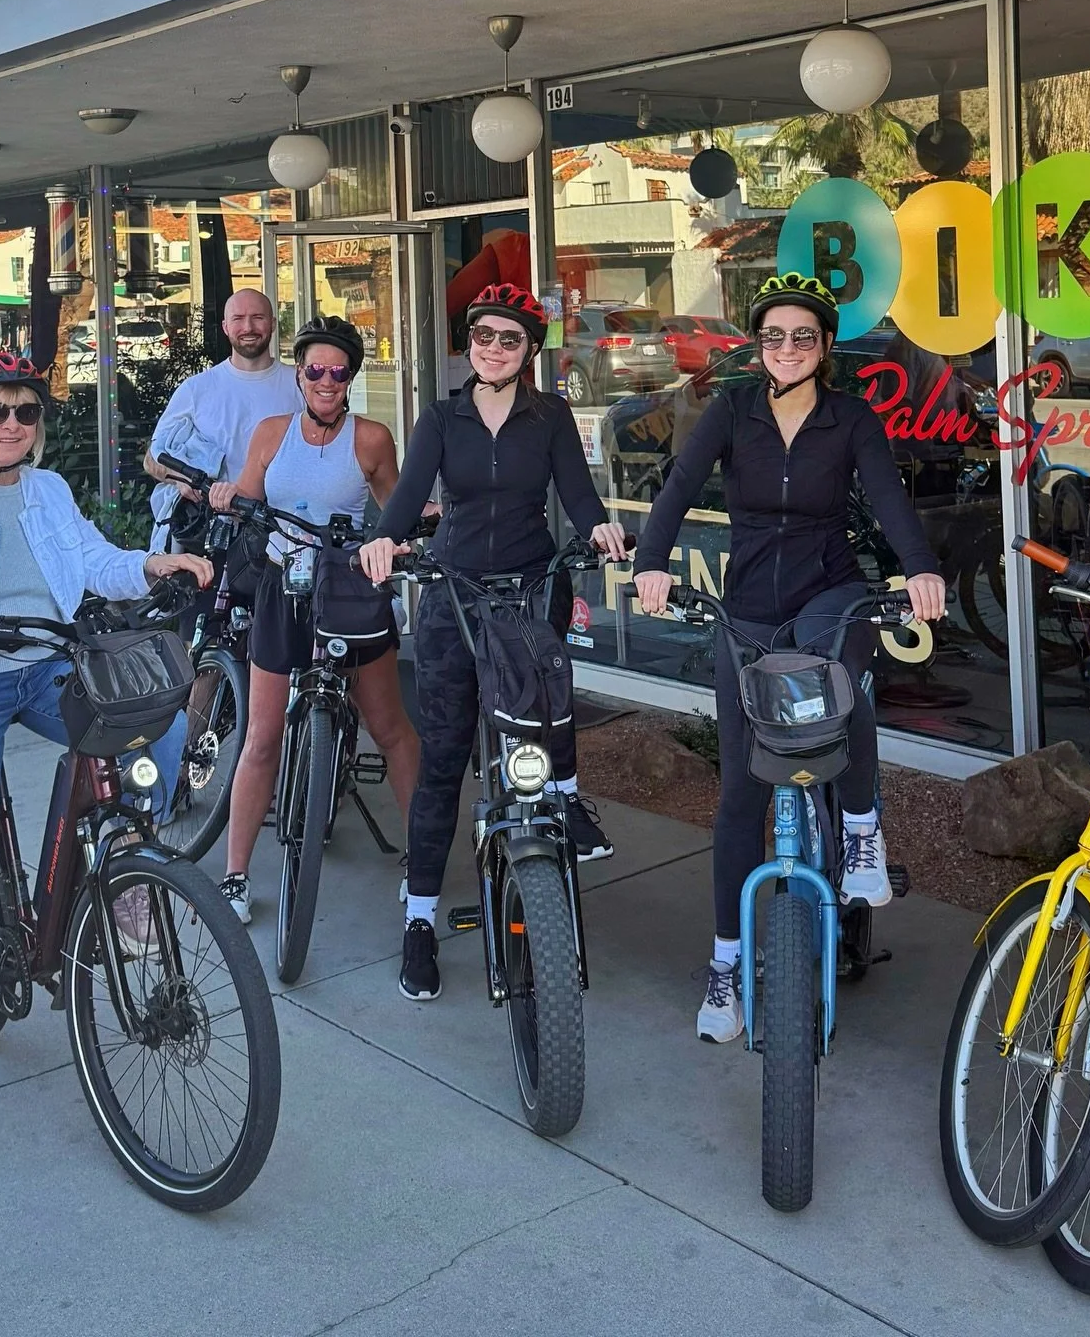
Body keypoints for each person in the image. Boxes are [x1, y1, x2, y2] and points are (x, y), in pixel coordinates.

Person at [0, 353, 211, 1148]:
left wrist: (154, 563)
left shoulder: (49, 490)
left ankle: (122, 861)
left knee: (161, 727)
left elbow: (94, 562)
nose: (14, 425)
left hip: (44, 670)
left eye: (27, 413)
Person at [630, 273, 946, 1044]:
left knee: (836, 676)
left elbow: (889, 500)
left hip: (828, 590)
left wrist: (921, 567)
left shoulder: (850, 419)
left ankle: (863, 832)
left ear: (825, 346)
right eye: (774, 335)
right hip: (748, 608)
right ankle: (727, 966)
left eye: (804, 336)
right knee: (740, 791)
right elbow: (676, 488)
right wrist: (651, 559)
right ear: (758, 345)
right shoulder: (730, 411)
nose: (788, 348)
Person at [359, 283, 631, 1003]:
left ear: (529, 351)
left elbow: (576, 494)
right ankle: (419, 920)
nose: (493, 348)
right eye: (483, 335)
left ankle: (567, 802)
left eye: (509, 339)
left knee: (547, 714)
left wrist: (600, 526)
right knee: (444, 757)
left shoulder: (550, 416)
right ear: (469, 343)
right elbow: (409, 490)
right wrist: (384, 539)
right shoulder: (443, 418)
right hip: (453, 596)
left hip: (530, 587)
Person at [207, 316, 420, 926]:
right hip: (282, 589)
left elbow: (396, 507)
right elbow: (247, 495)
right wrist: (228, 496)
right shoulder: (272, 433)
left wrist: (415, 529)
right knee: (262, 737)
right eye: (314, 371)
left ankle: (419, 859)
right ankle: (235, 875)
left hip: (349, 590)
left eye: (338, 371)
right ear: (298, 376)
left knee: (391, 727)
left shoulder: (371, 438)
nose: (326, 381)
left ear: (351, 376)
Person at [143, 287, 298, 547]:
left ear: (272, 323)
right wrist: (181, 480)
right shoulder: (196, 389)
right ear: (226, 327)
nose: (248, 327)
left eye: (258, 317)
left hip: (285, 532)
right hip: (214, 536)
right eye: (238, 319)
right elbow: (152, 459)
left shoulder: (300, 384)